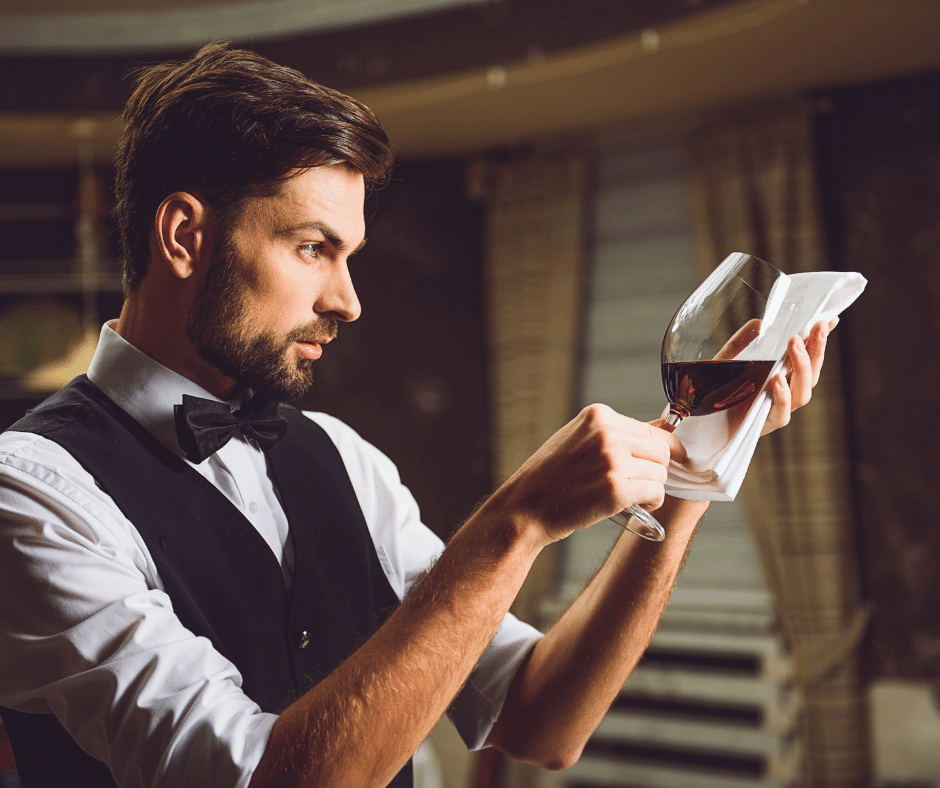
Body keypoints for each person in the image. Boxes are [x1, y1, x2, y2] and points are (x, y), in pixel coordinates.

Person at [0, 42, 836, 788]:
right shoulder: (32, 496)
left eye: (349, 256)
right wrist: (516, 522)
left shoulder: (343, 456)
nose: (349, 301)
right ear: (184, 236)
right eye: (312, 247)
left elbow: (543, 720)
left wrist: (696, 464)